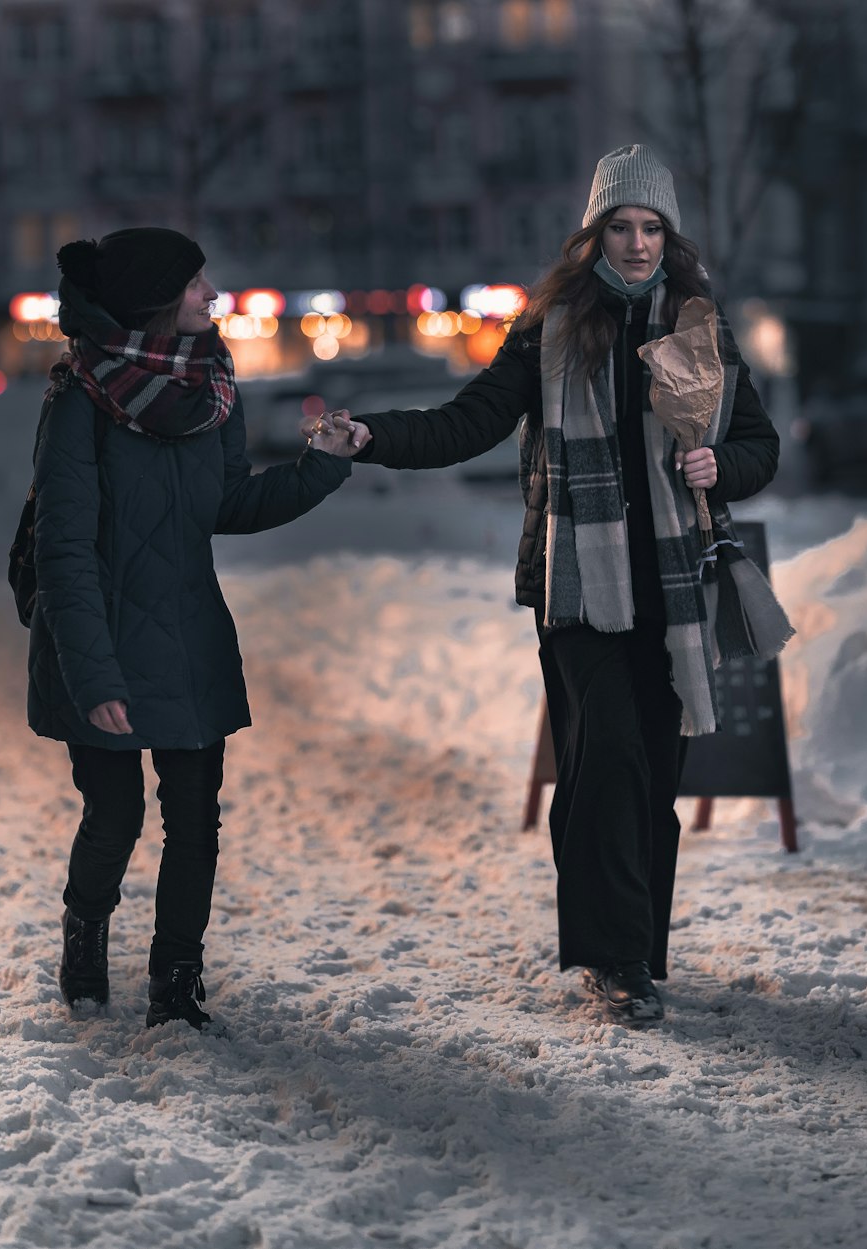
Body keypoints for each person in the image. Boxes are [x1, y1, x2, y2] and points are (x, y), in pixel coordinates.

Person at [306, 145, 789, 1026]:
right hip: (576, 583)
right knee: (604, 756)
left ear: (668, 236)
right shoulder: (553, 328)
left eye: (652, 228)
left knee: (650, 777)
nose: (638, 243)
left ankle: (635, 942)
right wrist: (371, 436)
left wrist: (727, 462)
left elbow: (762, 445)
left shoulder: (699, 329)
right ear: (593, 232)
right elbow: (469, 422)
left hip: (673, 586)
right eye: (621, 225)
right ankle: (617, 961)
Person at [29, 228, 357, 1032]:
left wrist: (324, 465)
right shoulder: (78, 398)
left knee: (195, 816)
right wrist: (95, 677)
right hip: (99, 635)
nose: (213, 295)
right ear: (155, 298)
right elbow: (63, 549)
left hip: (188, 632)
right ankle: (85, 928)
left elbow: (228, 504)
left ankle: (178, 976)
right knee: (115, 816)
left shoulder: (212, 386)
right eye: (197, 283)